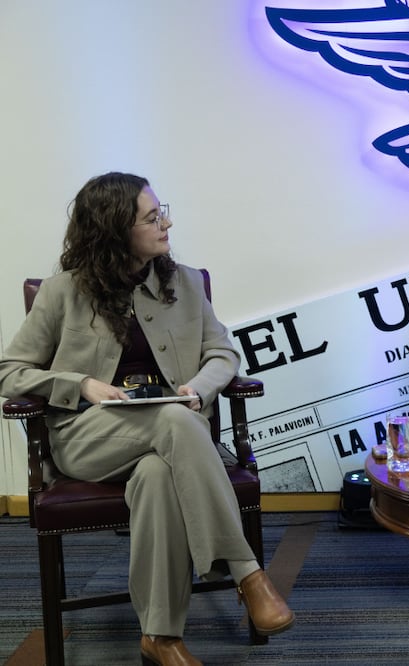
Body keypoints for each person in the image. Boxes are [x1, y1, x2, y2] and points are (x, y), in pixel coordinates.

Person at [0, 173, 295, 665]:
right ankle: (246, 572)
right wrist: (79, 385)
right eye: (152, 217)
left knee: (158, 475)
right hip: (88, 437)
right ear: (115, 229)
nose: (167, 223)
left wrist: (196, 390)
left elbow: (222, 353)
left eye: (164, 211)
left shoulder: (182, 282)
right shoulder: (60, 292)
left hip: (170, 436)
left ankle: (160, 636)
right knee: (174, 424)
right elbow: (10, 373)